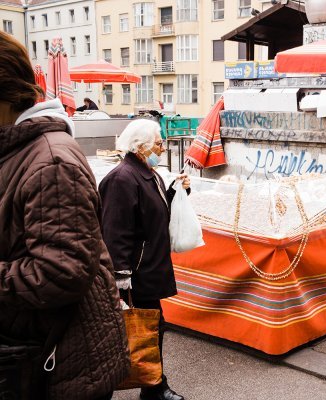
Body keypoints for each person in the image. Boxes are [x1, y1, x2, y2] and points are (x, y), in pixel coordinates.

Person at [0, 31, 129, 400]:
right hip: (32, 351)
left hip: (58, 365)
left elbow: (59, 273)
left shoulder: (51, 161)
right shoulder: (20, 151)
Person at [99, 119, 190, 400]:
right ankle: (152, 387)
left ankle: (152, 384)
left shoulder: (149, 174)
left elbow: (154, 212)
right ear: (140, 147)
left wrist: (177, 191)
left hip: (149, 268)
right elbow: (116, 230)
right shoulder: (122, 179)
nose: (162, 149)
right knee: (143, 328)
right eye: (159, 143)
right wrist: (121, 277)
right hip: (135, 274)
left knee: (152, 327)